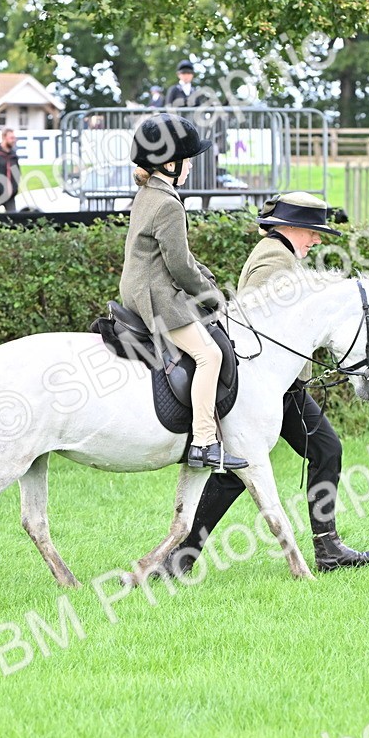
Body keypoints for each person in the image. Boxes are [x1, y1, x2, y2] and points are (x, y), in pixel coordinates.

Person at [163, 193, 369, 576]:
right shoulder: (273, 259)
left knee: (243, 470)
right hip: (271, 387)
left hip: (280, 385)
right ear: (290, 227)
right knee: (321, 451)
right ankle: (326, 548)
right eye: (313, 232)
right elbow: (254, 321)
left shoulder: (281, 254)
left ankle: (181, 558)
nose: (317, 240)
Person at [121, 113, 247, 471]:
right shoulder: (169, 204)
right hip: (156, 297)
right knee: (210, 355)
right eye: (188, 159)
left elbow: (183, 258)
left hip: (139, 288)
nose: (191, 166)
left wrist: (209, 281)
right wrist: (213, 298)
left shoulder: (149, 193)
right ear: (170, 162)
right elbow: (178, 267)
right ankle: (205, 442)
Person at [0, 128, 21, 212]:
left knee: (13, 220)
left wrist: (14, 189)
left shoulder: (13, 156)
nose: (14, 140)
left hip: (10, 195)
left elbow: (17, 174)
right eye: (11, 138)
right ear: (4, 137)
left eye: (14, 138)